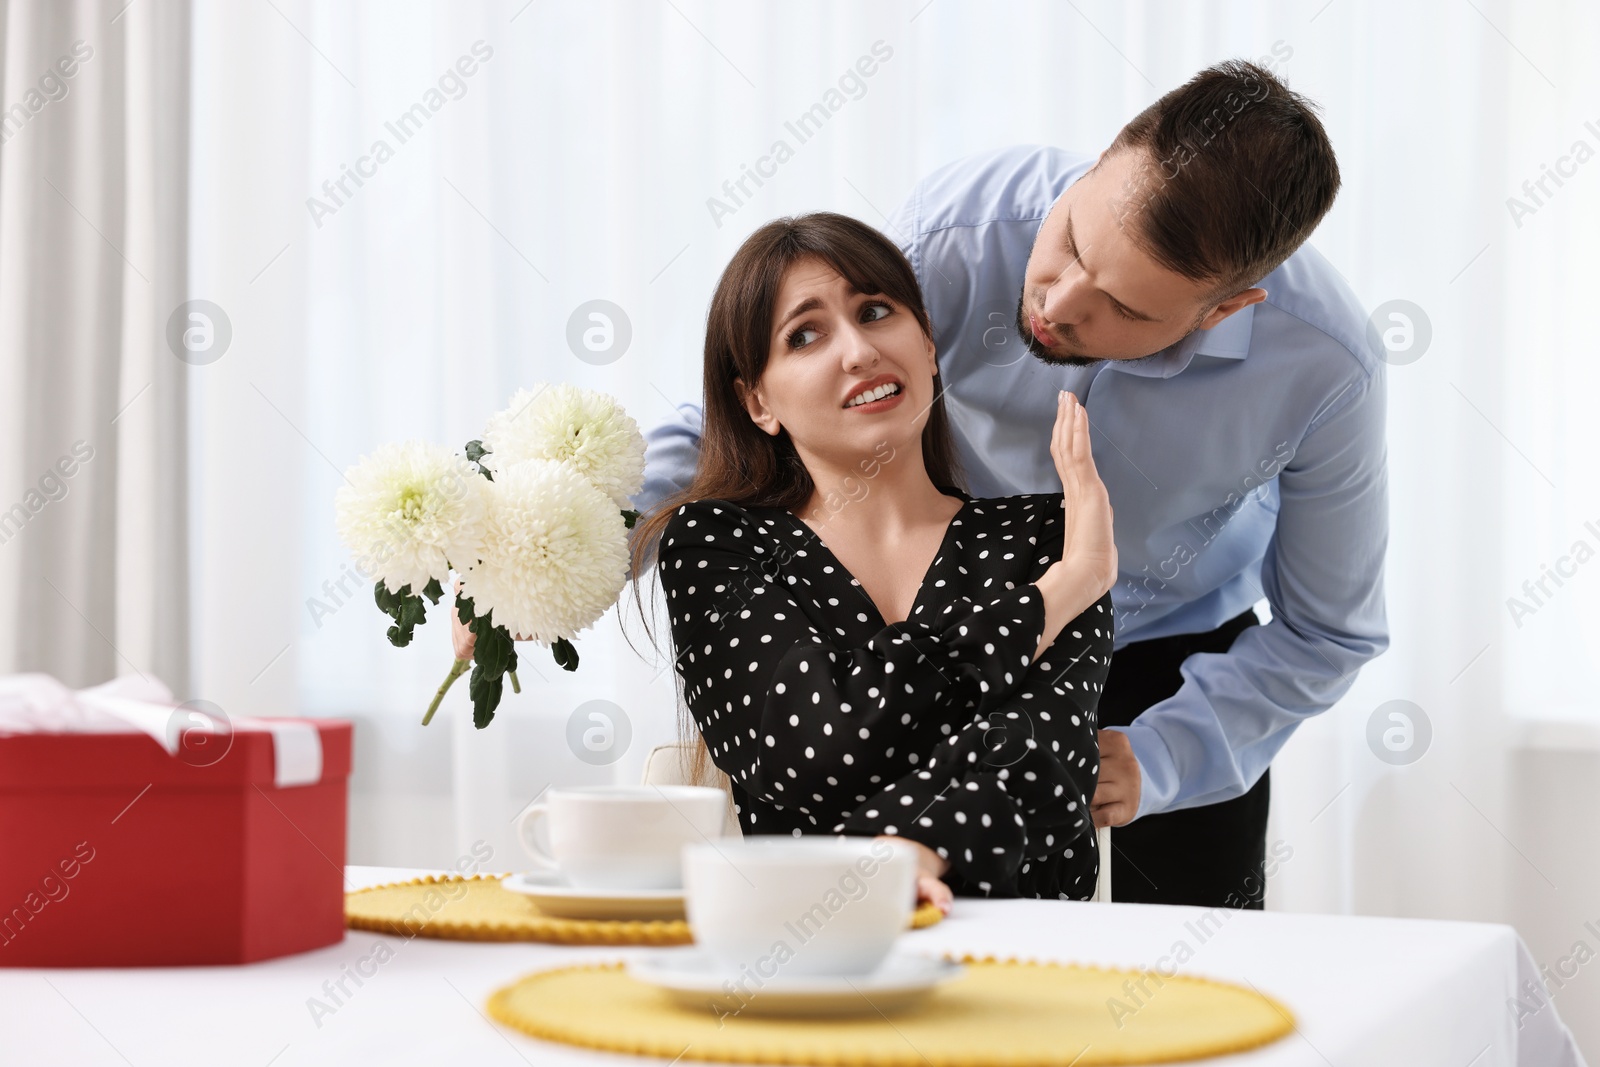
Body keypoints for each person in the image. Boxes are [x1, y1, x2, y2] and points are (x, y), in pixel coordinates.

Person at [635, 59, 1390, 910]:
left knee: (1187, 993)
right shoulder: (964, 230)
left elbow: (1331, 632)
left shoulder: (1327, 368)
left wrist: (1168, 754)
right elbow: (779, 387)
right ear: (1101, 161)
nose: (1056, 304)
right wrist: (589, 540)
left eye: (1125, 310)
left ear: (1223, 310)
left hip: (1176, 663)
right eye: (1070, 241)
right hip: (947, 611)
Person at [630, 212, 1119, 909]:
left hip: (1023, 963)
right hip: (811, 958)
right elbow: (815, 751)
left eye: (875, 311)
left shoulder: (1044, 535)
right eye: (805, 334)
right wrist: (1055, 596)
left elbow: (1044, 757)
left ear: (927, 343)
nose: (857, 351)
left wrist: (912, 849)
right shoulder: (717, 545)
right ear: (758, 401)